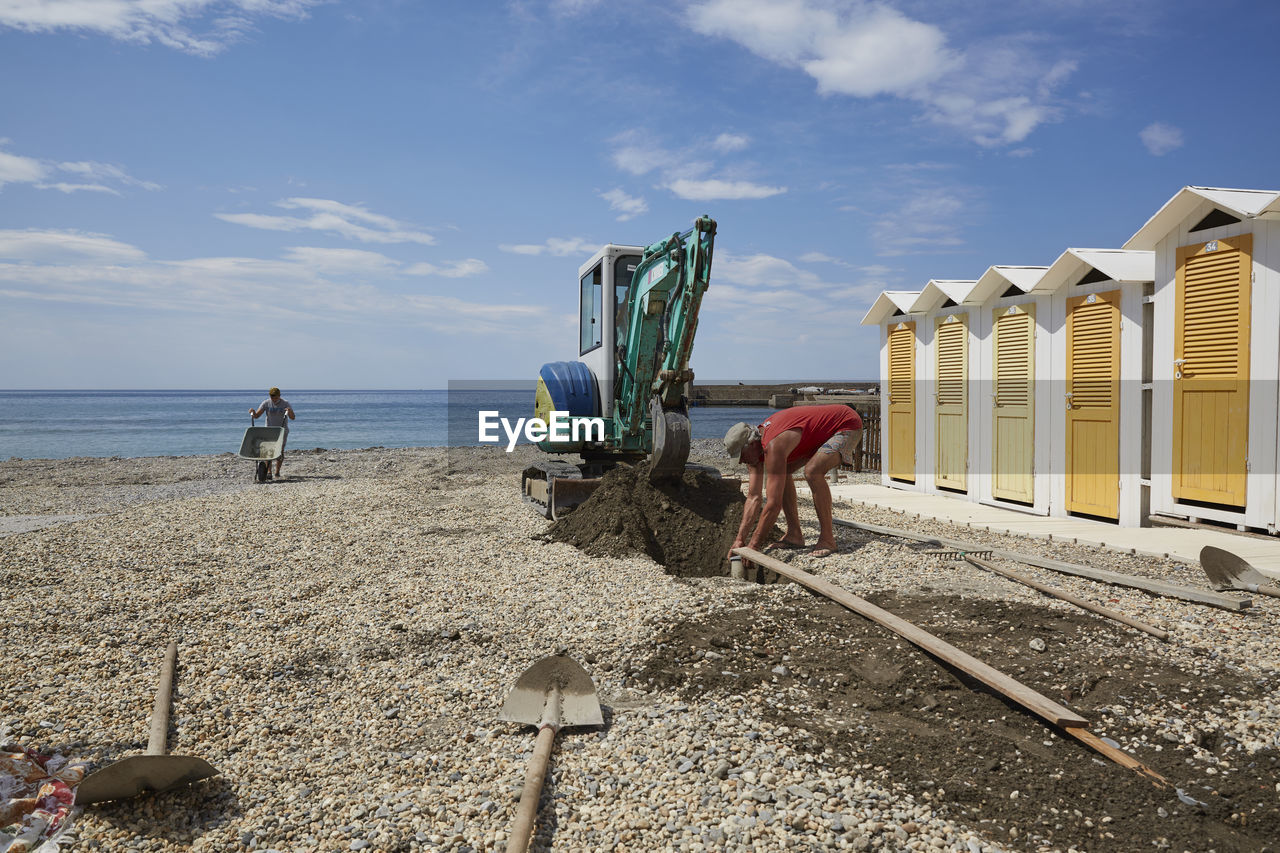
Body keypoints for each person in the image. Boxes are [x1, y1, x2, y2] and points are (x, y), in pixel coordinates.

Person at [725, 404, 862, 560]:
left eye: (741, 455)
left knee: (812, 471)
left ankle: (828, 539)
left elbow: (773, 504)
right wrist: (740, 540)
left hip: (846, 423)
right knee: (785, 471)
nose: (742, 461)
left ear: (751, 444)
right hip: (817, 433)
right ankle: (794, 534)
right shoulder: (754, 455)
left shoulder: (773, 445)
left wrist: (754, 546)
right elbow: (753, 497)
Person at [249, 387, 295, 480]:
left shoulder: (285, 403)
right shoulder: (266, 403)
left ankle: (277, 471)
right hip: (269, 430)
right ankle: (269, 471)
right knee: (267, 451)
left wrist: (289, 411)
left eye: (275, 397)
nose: (274, 399)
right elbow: (257, 416)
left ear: (279, 396)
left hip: (282, 430)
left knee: (280, 451)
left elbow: (292, 417)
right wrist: (253, 412)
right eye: (272, 397)